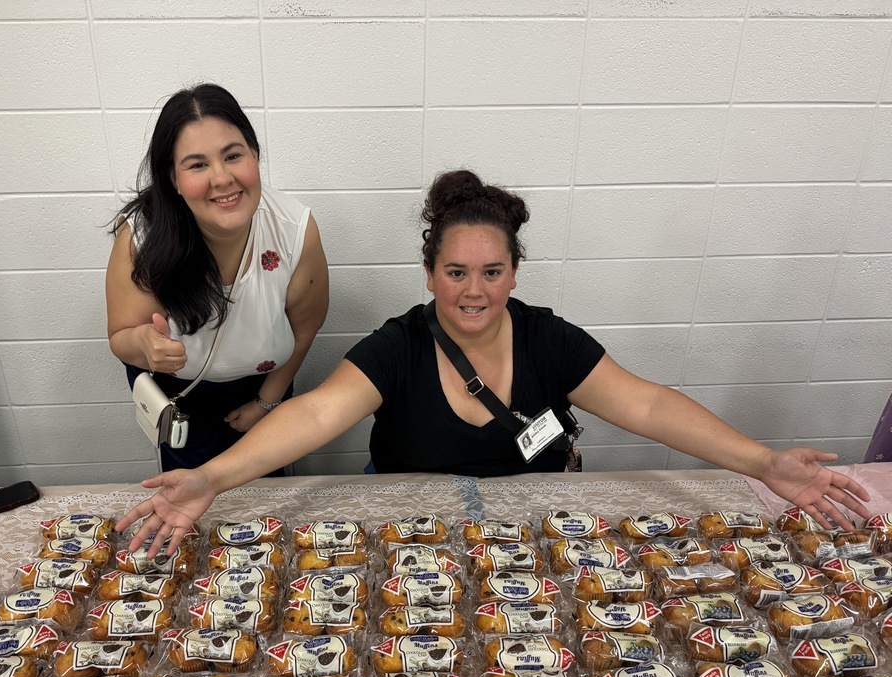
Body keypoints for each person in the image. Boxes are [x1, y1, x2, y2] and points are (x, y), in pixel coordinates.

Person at [117, 169, 871, 555]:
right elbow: (316, 413)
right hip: (417, 539)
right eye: (455, 273)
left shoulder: (548, 338)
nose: (473, 292)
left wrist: (763, 463)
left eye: (491, 272)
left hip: (538, 535)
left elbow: (647, 404)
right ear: (429, 273)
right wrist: (210, 477)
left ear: (514, 272)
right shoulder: (400, 343)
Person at [105, 83, 329, 471]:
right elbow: (120, 338)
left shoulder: (295, 230)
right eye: (197, 165)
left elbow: (305, 328)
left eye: (233, 155)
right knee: (190, 512)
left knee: (270, 504)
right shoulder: (141, 238)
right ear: (172, 179)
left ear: (255, 155)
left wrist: (267, 402)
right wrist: (144, 343)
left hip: (265, 388)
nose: (222, 178)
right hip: (181, 398)